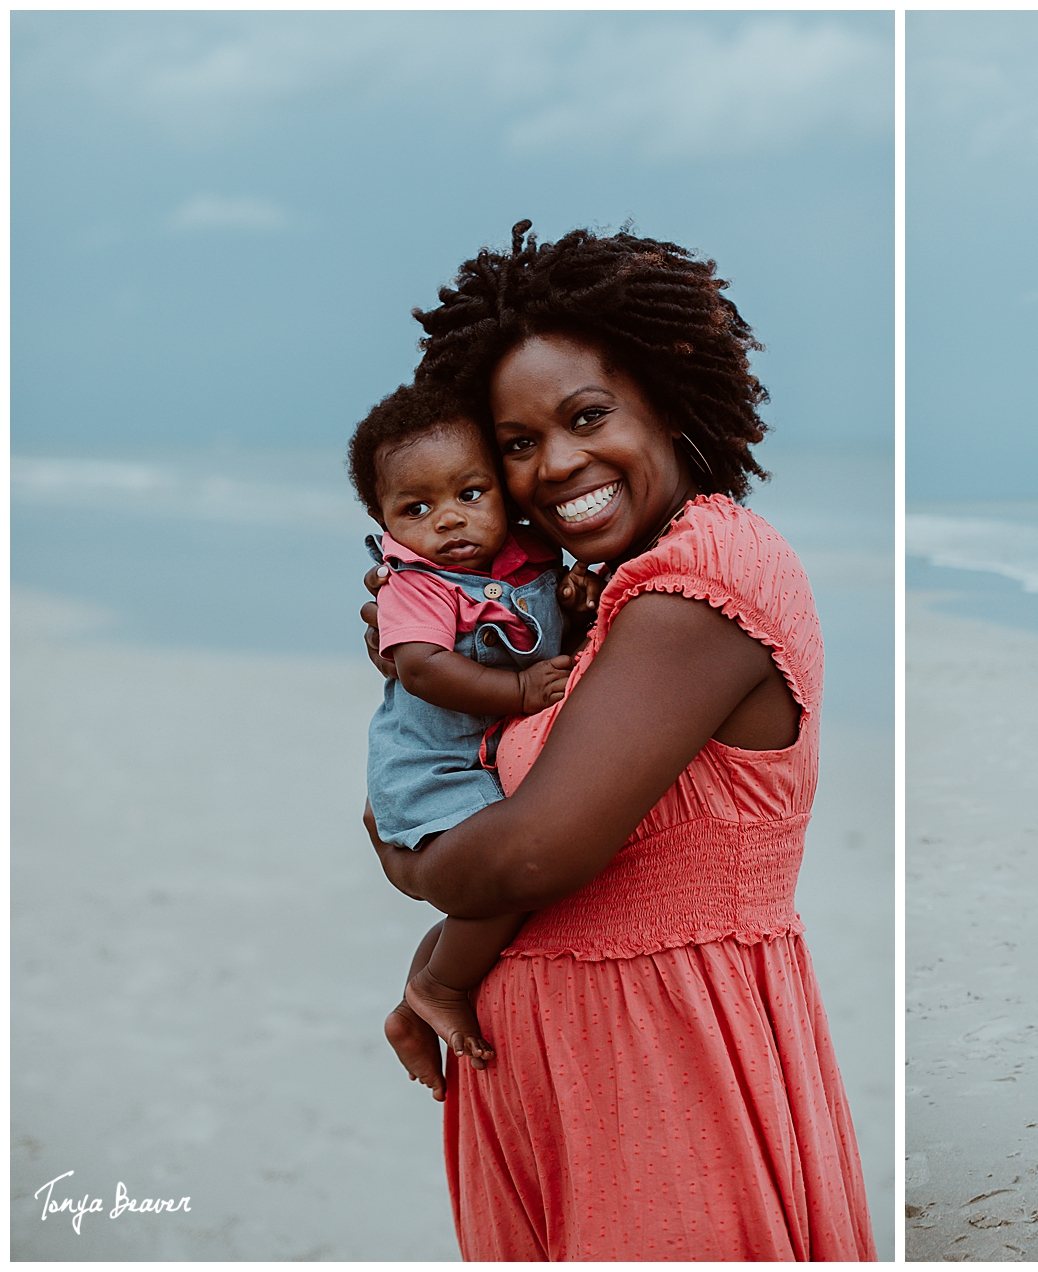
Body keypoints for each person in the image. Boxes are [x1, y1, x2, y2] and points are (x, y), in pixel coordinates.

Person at [360, 222, 874, 1260]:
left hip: (662, 1074)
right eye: (514, 445)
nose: (556, 464)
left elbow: (539, 851)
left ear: (666, 401)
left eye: (587, 416)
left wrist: (404, 862)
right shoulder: (603, 593)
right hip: (574, 1067)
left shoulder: (701, 584)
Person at [347, 383, 601, 1087]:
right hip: (434, 768)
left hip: (489, 767)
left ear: (503, 491)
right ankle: (438, 989)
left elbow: (560, 635)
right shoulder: (416, 583)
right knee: (513, 875)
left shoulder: (533, 560)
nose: (450, 522)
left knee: (505, 897)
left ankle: (420, 988)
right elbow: (423, 669)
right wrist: (519, 691)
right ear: (384, 520)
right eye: (418, 508)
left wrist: (581, 605)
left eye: (470, 494)